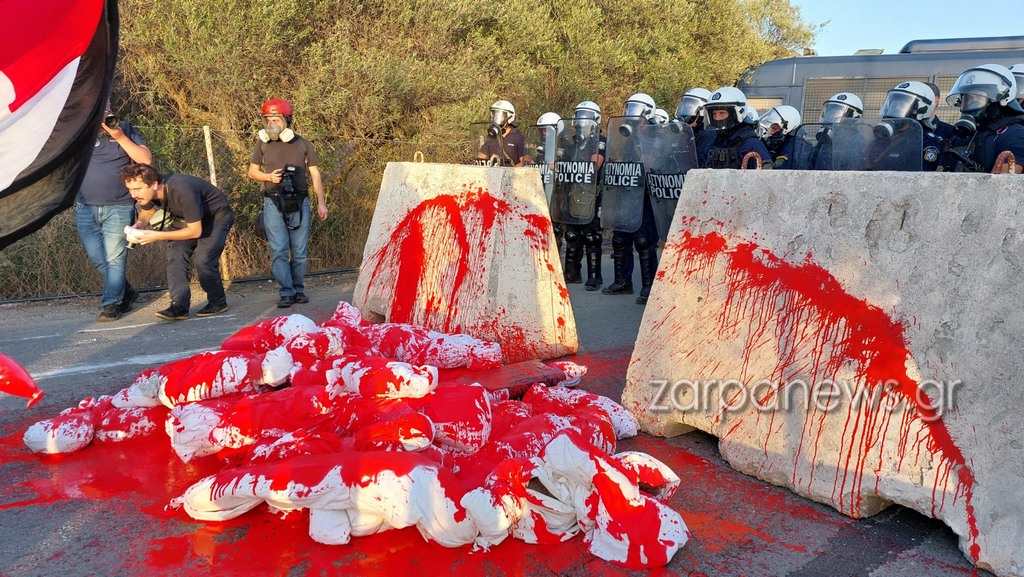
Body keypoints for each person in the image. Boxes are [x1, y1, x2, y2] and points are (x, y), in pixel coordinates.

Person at [120, 163, 235, 320]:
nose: (133, 194)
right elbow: (147, 211)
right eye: (130, 189)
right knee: (175, 255)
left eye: (138, 189)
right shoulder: (148, 194)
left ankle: (218, 302)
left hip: (215, 218)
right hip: (186, 219)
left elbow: (195, 231)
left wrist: (155, 235)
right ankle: (179, 307)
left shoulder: (183, 190)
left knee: (204, 260)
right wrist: (138, 226)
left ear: (154, 184)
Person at [247, 98, 328, 308]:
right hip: (273, 202)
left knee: (299, 252)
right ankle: (286, 292)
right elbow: (252, 171)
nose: (272, 124)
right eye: (268, 120)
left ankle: (298, 290)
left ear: (287, 120)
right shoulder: (262, 143)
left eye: (276, 119)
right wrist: (268, 178)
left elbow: (315, 174)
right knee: (279, 250)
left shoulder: (303, 143)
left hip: (300, 202)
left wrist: (321, 203)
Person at [75, 102, 152, 321]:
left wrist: (118, 135)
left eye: (107, 116)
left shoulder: (124, 129)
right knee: (97, 257)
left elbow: (145, 159)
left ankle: (111, 304)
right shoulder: (80, 131)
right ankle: (126, 292)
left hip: (118, 205)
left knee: (115, 258)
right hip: (85, 206)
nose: (104, 122)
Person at [602, 93, 660, 305]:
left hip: (645, 194)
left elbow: (663, 163)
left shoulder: (656, 135)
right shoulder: (625, 136)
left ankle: (649, 286)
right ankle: (623, 281)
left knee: (644, 241)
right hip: (625, 191)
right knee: (620, 238)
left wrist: (652, 160)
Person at [943, 63, 1024, 173]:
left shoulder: (1015, 134)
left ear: (1001, 98)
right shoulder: (963, 135)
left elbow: (1004, 185)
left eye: (978, 97)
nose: (971, 103)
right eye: (968, 98)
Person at [560, 101, 606, 290]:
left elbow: (596, 164)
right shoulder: (574, 143)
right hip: (573, 192)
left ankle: (595, 277)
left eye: (585, 116)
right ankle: (571, 273)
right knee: (572, 234)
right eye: (579, 116)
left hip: (591, 194)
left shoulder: (600, 141)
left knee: (591, 236)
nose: (580, 121)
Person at [868, 81, 941, 171]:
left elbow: (921, 178)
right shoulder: (883, 137)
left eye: (902, 104)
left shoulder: (926, 142)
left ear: (920, 109)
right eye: (894, 103)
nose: (895, 107)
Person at [704, 87, 771, 169]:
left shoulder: (752, 145)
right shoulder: (713, 143)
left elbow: (764, 178)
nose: (717, 118)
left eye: (722, 113)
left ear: (737, 113)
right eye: (714, 114)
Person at [807, 92, 864, 170]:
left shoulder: (858, 143)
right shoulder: (824, 142)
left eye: (837, 114)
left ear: (853, 118)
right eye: (830, 113)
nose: (831, 117)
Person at [476, 100, 528, 167]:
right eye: (495, 115)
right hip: (492, 174)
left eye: (501, 116)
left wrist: (509, 173)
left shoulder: (518, 137)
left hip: (511, 176)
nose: (497, 118)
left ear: (510, 117)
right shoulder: (491, 136)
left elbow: (524, 162)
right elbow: (481, 157)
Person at [675, 87, 715, 166]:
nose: (684, 113)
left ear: (703, 112)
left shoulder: (709, 135)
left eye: (689, 108)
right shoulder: (688, 133)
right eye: (684, 108)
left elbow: (698, 164)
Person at [756, 105, 802, 169]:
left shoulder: (791, 150)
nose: (771, 132)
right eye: (771, 128)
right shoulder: (782, 145)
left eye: (774, 129)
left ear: (786, 129)